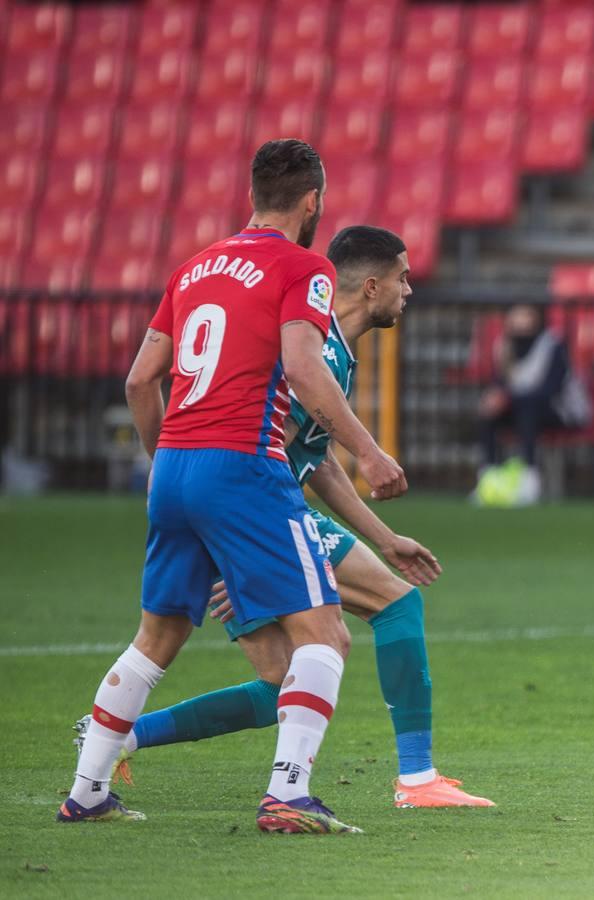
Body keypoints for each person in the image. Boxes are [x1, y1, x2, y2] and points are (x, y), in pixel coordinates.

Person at [73, 226, 493, 809]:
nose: (410, 290)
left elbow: (315, 463)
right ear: (371, 287)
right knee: (395, 604)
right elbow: (272, 443)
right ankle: (415, 779)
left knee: (278, 684)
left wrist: (384, 536)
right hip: (256, 514)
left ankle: (117, 738)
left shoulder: (333, 354)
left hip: (234, 511)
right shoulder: (314, 352)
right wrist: (235, 551)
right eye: (403, 278)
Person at [59, 140, 406, 833]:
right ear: (312, 202)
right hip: (244, 462)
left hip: (175, 466)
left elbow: (138, 381)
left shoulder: (194, 267)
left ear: (254, 195)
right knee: (326, 634)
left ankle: (87, 791)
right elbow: (305, 370)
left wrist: (168, 460)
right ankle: (288, 794)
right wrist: (368, 452)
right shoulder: (304, 267)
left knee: (155, 637)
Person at [473, 303, 590, 507]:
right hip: (521, 408)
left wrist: (508, 398)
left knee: (529, 407)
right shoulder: (504, 346)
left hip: (561, 411)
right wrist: (495, 399)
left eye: (525, 315)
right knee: (489, 413)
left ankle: (529, 481)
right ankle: (487, 477)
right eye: (516, 315)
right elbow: (499, 383)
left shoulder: (553, 344)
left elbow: (551, 389)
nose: (520, 321)